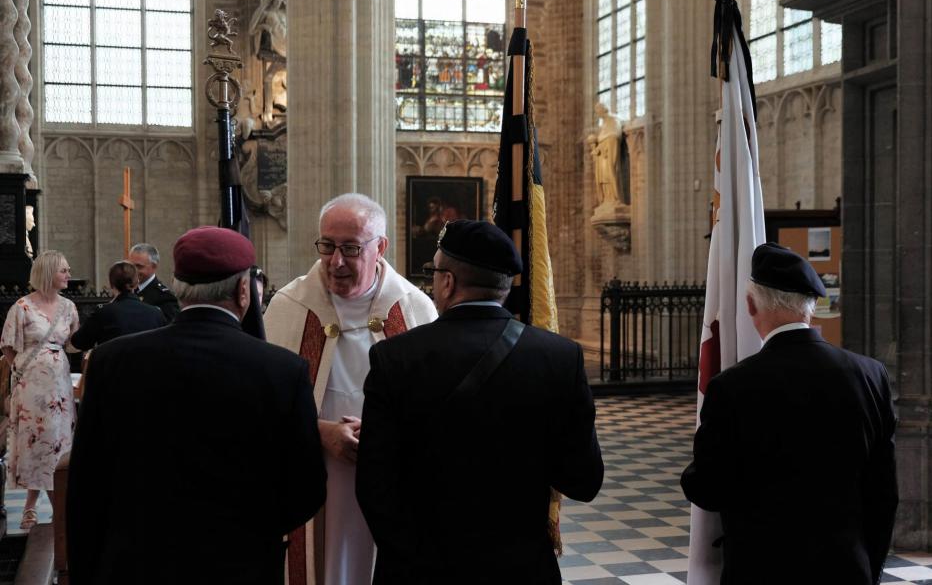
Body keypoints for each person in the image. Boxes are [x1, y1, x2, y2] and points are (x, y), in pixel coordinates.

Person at [67, 227, 327, 585]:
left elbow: (86, 484)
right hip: (239, 564)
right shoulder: (282, 370)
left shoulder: (112, 361)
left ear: (178, 288)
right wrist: (252, 529)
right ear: (242, 290)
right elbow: (307, 486)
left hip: (137, 564)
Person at [356, 220, 604, 583]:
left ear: (448, 281)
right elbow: (585, 481)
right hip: (520, 568)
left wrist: (410, 557)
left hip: (421, 570)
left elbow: (374, 485)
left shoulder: (395, 357)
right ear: (504, 285)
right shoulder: (560, 357)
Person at [680, 243, 898, 585]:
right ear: (811, 307)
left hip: (761, 569)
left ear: (751, 304)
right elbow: (884, 493)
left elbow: (709, 488)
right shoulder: (871, 375)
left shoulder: (732, 387)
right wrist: (870, 569)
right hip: (846, 568)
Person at [264, 193, 437, 585]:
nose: (335, 261)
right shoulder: (289, 306)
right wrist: (321, 431)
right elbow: (263, 405)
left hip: (394, 479)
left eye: (351, 248)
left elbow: (436, 409)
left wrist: (384, 438)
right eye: (327, 245)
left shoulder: (415, 308)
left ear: (381, 248)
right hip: (315, 473)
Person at [1, 250, 80, 530]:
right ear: (48, 273)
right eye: (64, 270)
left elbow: (73, 343)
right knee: (34, 440)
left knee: (57, 441)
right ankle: (36, 506)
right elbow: (8, 346)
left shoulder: (69, 307)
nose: (69, 275)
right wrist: (22, 372)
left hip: (58, 386)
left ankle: (50, 508)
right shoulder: (22, 307)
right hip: (30, 385)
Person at [69, 260, 166, 350]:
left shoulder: (104, 312)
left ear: (111, 284)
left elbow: (79, 342)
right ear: (136, 284)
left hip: (113, 367)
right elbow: (164, 345)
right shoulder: (156, 313)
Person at [128, 242, 180, 323]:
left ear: (154, 266)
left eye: (139, 266)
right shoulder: (127, 289)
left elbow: (169, 328)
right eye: (131, 266)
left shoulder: (164, 297)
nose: (133, 271)